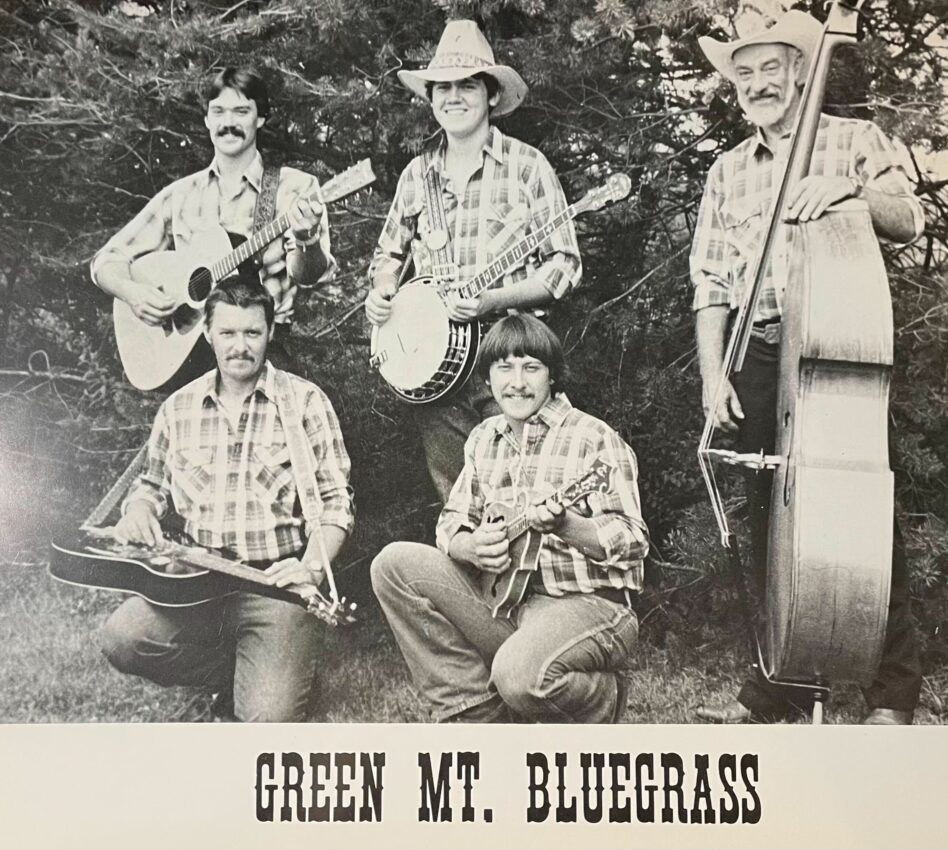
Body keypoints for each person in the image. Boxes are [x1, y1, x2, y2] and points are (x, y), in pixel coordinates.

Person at [689, 10, 925, 725]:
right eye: (744, 72)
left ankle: (891, 695)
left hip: (838, 341)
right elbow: (711, 284)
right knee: (771, 518)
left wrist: (854, 193)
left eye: (771, 68)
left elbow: (909, 216)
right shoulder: (727, 171)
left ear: (800, 72)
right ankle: (781, 686)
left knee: (865, 514)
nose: (758, 83)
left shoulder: (852, 140)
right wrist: (713, 375)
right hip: (759, 350)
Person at [98, 279, 355, 722]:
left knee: (267, 720)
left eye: (252, 333)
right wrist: (139, 510)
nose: (240, 346)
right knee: (123, 637)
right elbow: (151, 485)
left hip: (276, 585)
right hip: (195, 580)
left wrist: (312, 566)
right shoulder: (179, 408)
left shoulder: (305, 402)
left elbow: (336, 503)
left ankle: (274, 671)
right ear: (207, 334)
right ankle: (231, 672)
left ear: (270, 333)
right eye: (229, 333)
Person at [371, 315, 647, 723]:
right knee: (393, 565)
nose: (517, 381)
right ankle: (477, 713)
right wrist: (473, 547)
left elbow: (633, 538)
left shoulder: (594, 438)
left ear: (552, 376)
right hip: (510, 602)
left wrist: (567, 525)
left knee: (519, 675)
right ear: (487, 378)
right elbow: (451, 523)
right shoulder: (484, 438)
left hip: (591, 607)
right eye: (504, 367)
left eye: (531, 367)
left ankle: (602, 698)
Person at [365, 19, 582, 501]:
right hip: (437, 372)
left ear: (490, 96)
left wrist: (493, 299)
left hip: (510, 355)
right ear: (431, 98)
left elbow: (564, 265)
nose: (454, 96)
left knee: (526, 491)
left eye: (467, 85)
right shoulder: (416, 176)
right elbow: (388, 256)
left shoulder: (527, 167)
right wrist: (380, 293)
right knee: (459, 500)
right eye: (443, 87)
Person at [92, 66, 335, 378]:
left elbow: (308, 275)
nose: (228, 123)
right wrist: (133, 293)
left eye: (241, 111)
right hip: (190, 362)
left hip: (265, 356)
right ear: (207, 119)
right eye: (218, 111)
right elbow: (105, 261)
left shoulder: (295, 188)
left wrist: (306, 238)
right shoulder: (178, 196)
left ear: (260, 118)